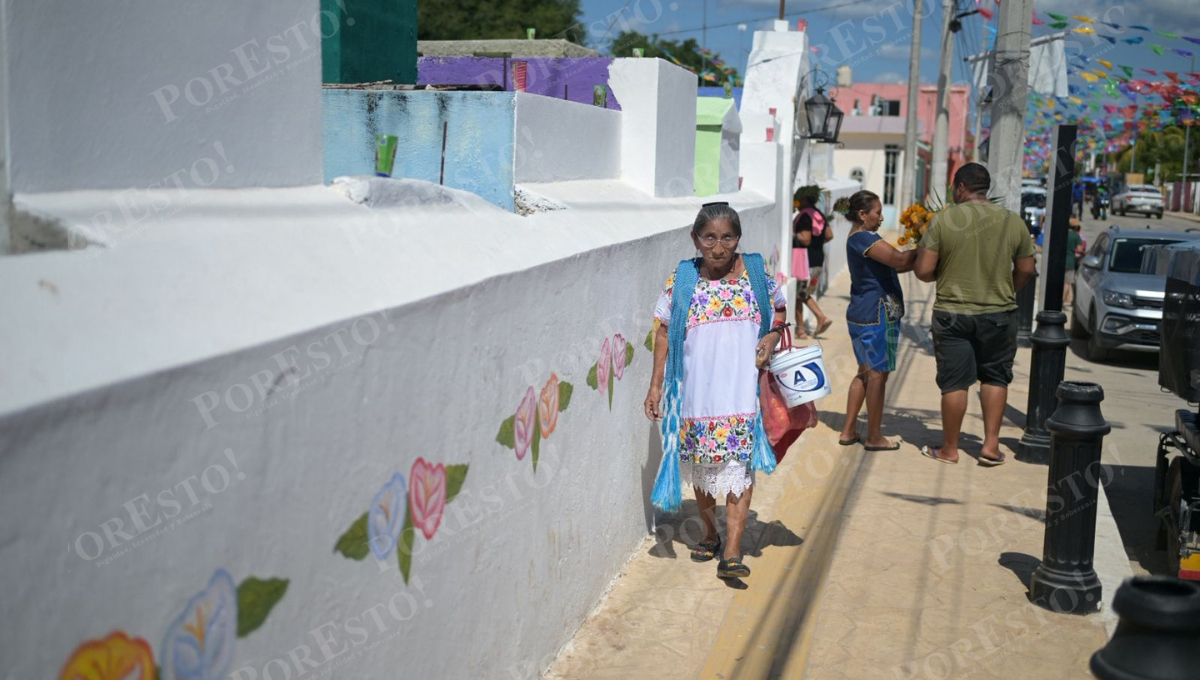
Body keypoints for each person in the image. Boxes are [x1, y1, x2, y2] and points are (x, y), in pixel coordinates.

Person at [644, 202, 787, 579]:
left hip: (742, 393)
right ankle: (710, 534)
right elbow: (663, 331)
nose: (718, 247)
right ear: (696, 239)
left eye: (727, 237)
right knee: (705, 468)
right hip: (696, 395)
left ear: (738, 238)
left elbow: (780, 313)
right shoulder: (683, 278)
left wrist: (772, 337)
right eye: (709, 238)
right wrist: (656, 385)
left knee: (738, 468)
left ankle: (734, 551)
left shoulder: (755, 273)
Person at [914, 163, 1036, 466]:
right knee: (995, 376)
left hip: (952, 315)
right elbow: (1026, 270)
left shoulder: (943, 220)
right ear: (986, 189)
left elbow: (923, 270)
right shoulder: (1013, 221)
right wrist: (1005, 289)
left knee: (955, 382)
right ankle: (991, 447)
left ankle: (950, 449)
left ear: (960, 188)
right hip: (999, 313)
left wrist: (943, 275)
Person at [837, 190, 917, 451]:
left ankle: (849, 430)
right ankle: (873, 436)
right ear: (862, 215)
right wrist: (930, 243)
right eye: (877, 212)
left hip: (863, 313)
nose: (881, 218)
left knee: (864, 373)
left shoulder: (858, 238)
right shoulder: (863, 238)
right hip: (876, 315)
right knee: (877, 376)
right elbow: (900, 261)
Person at [793, 193, 834, 339]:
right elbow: (829, 235)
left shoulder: (805, 216)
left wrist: (790, 235)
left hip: (805, 261)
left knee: (799, 295)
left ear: (805, 199)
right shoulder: (819, 214)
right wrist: (817, 244)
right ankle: (813, 322)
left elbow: (805, 239)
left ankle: (806, 327)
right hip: (817, 260)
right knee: (803, 293)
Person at [1064, 218, 1084, 307]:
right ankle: (1062, 301)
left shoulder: (1063, 234)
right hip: (1070, 261)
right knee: (1067, 283)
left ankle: (1068, 299)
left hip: (1061, 261)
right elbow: (1079, 250)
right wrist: (1084, 253)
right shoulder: (1076, 236)